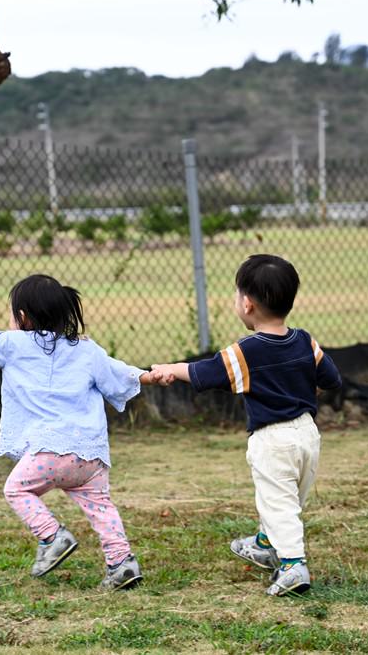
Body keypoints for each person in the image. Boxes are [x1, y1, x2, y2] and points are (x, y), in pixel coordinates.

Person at [0, 274, 157, 591]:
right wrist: (149, 376)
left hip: (51, 450)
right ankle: (122, 563)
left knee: (16, 490)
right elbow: (119, 372)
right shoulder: (87, 350)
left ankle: (51, 536)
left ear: (22, 317)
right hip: (90, 456)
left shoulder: (14, 345)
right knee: (101, 507)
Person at [151, 254, 341, 596]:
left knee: (278, 502)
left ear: (247, 304)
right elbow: (331, 378)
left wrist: (169, 369)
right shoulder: (305, 340)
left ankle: (294, 566)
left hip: (273, 440)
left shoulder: (247, 350)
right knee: (285, 499)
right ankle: (265, 545)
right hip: (308, 434)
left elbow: (205, 372)